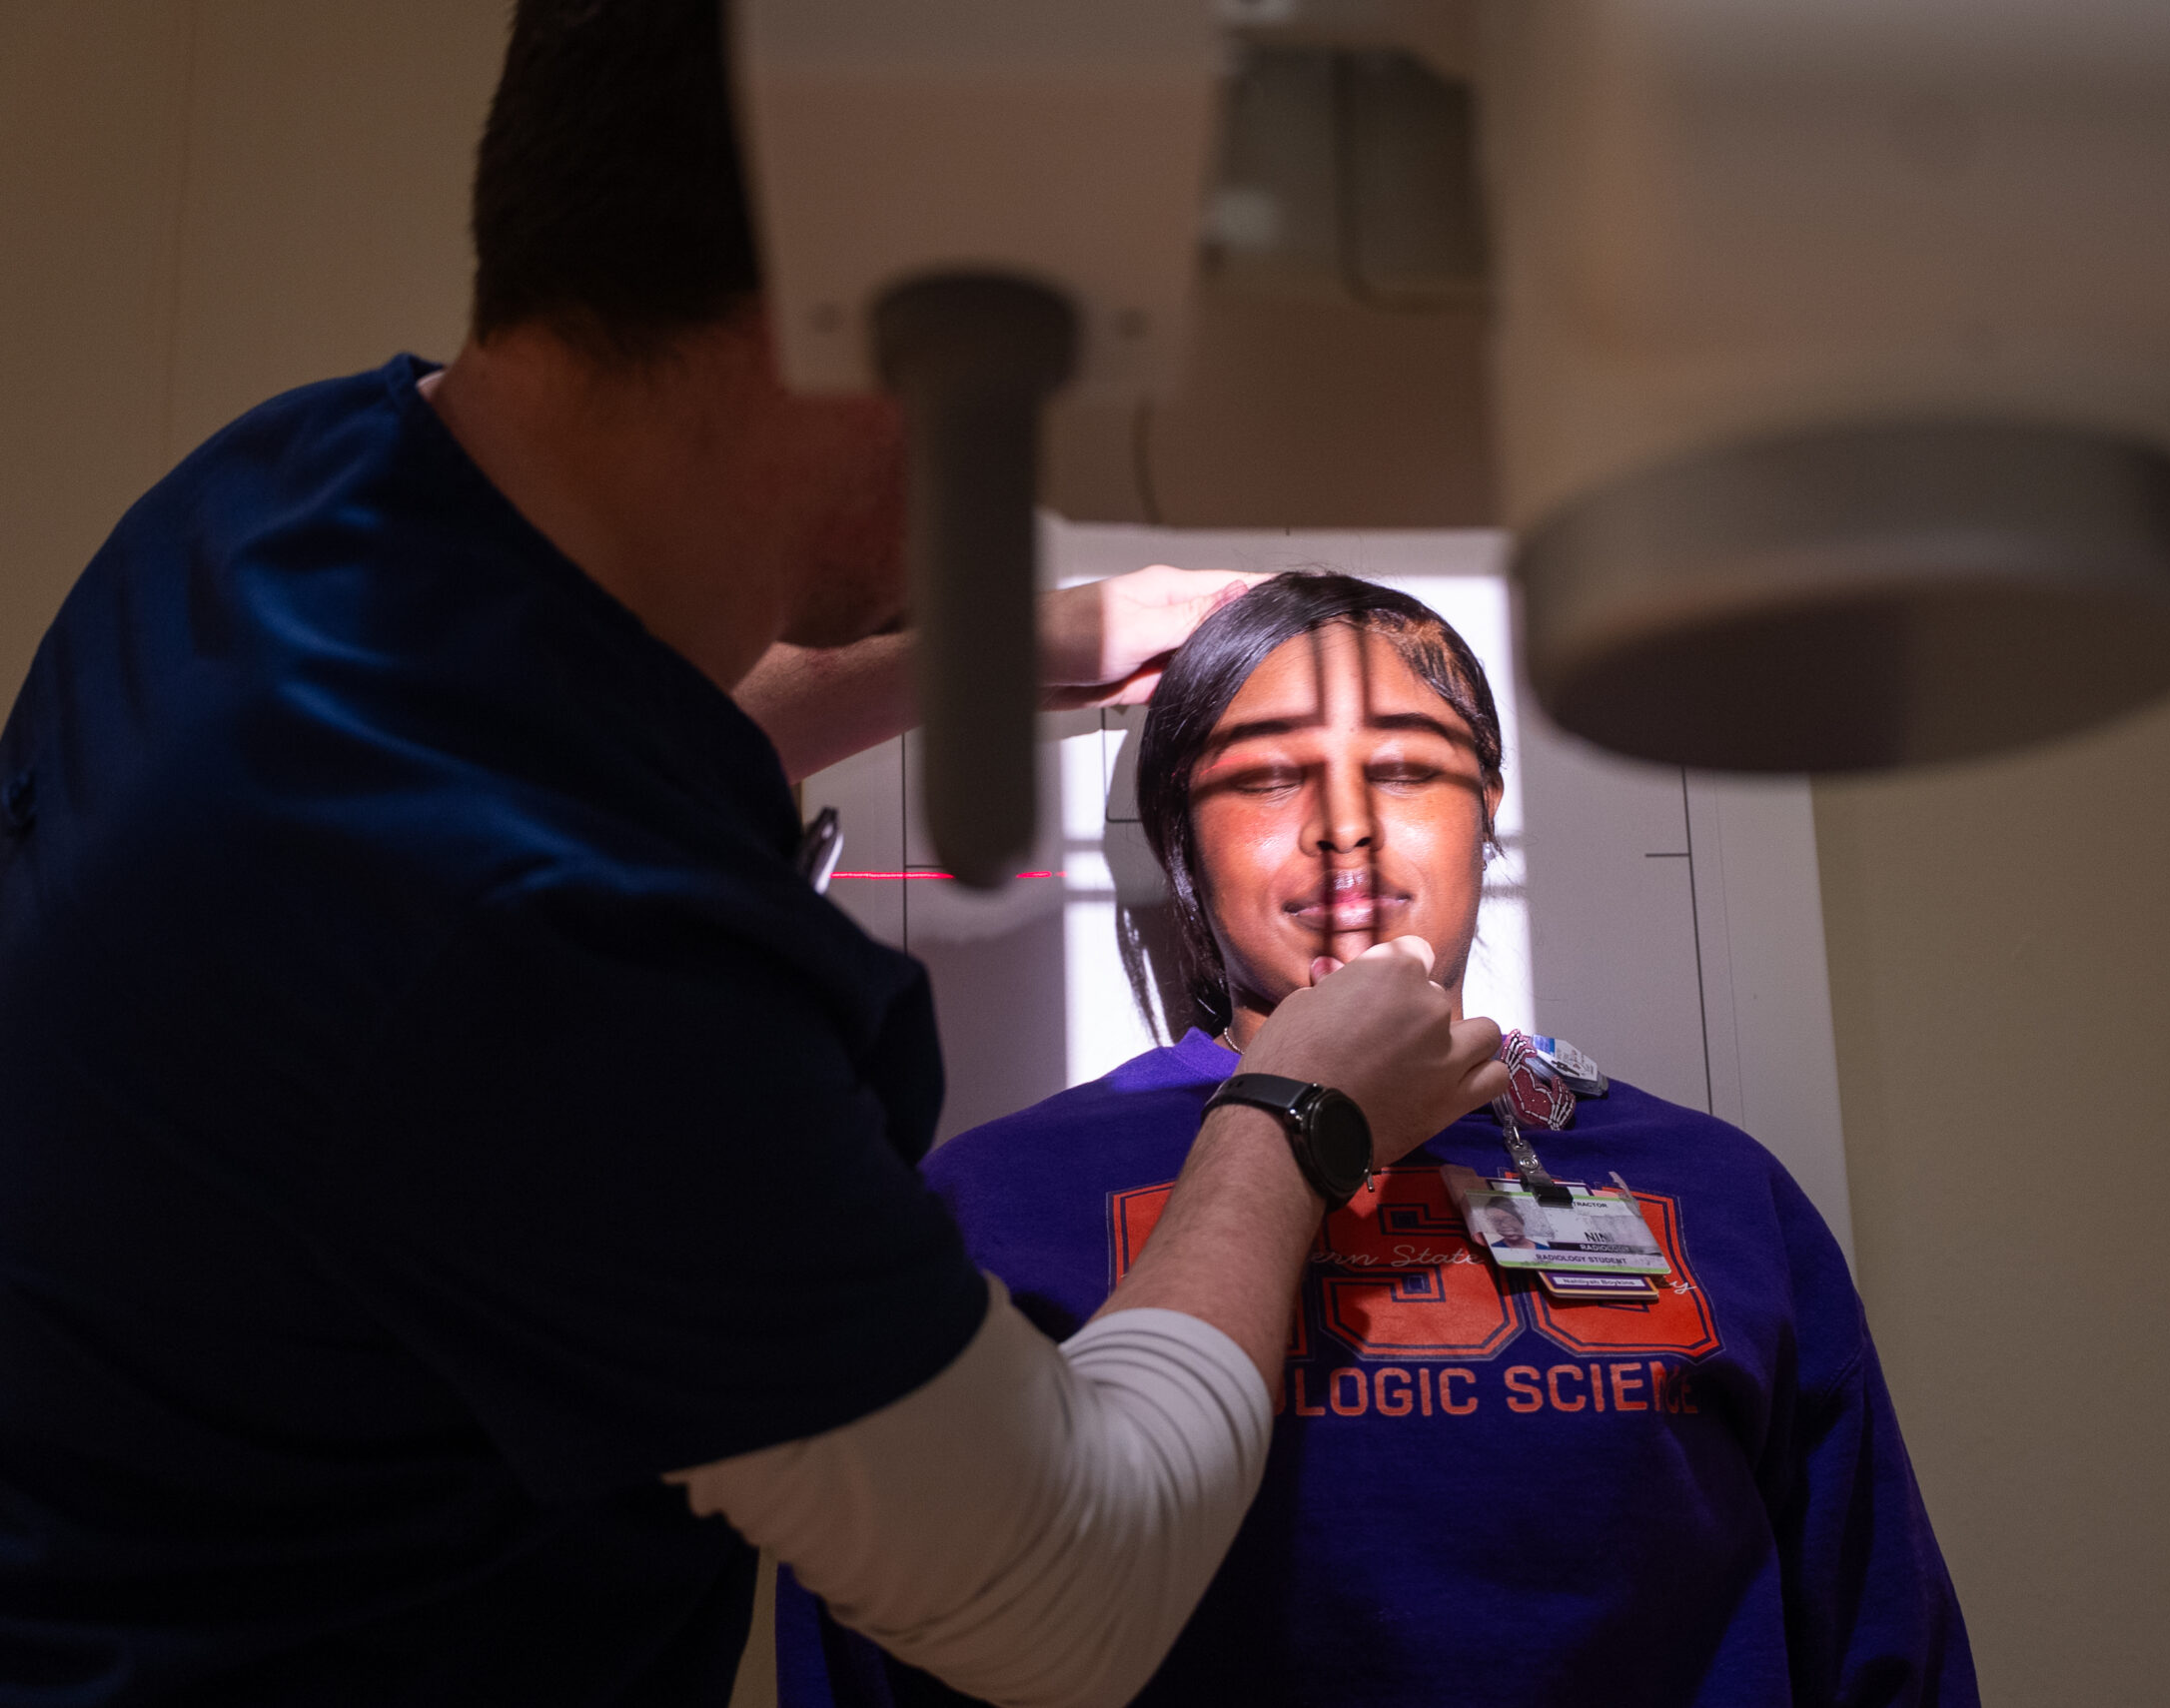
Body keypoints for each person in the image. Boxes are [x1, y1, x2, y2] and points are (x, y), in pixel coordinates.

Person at [0, 6, 1504, 1705]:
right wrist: (1294, 1119)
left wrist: (1002, 645)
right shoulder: (555, 971)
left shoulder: (283, 493)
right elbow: (1066, 1587)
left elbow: (567, 718)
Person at [784, 574, 1978, 1707]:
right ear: (1177, 835)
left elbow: (1881, 1642)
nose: (1343, 828)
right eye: (1263, 778)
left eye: (1406, 767)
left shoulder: (1722, 1194)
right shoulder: (993, 1200)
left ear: (1488, 806)